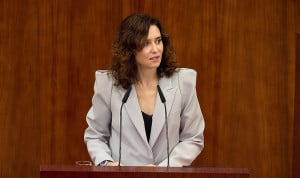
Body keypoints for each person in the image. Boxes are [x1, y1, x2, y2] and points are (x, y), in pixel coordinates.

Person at [84, 13, 204, 167]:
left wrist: (163, 169)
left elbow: (193, 137)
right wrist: (106, 163)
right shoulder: (109, 84)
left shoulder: (183, 82)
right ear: (130, 49)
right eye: (146, 43)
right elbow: (95, 134)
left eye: (158, 41)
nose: (155, 49)